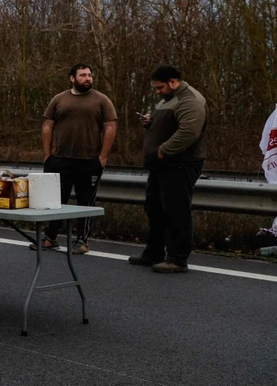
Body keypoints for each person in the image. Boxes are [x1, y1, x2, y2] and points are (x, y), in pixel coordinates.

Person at [129, 65, 207, 274]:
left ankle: (177, 258)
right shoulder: (168, 99)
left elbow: (188, 132)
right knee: (154, 208)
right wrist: (150, 122)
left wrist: (162, 151)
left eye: (160, 87)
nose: (157, 91)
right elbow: (168, 124)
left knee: (176, 211)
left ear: (173, 82)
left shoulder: (190, 100)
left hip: (180, 163)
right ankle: (154, 253)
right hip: (162, 165)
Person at [32, 63, 116, 254]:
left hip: (89, 160)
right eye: (83, 75)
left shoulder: (102, 100)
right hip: (59, 159)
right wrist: (47, 154)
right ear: (72, 78)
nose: (88, 78)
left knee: (85, 203)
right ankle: (51, 238)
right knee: (55, 202)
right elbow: (47, 126)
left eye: (90, 75)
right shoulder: (59, 99)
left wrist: (103, 156)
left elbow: (110, 127)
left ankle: (82, 241)